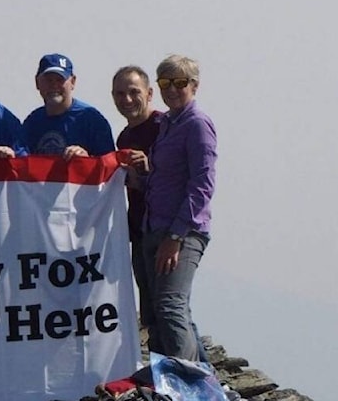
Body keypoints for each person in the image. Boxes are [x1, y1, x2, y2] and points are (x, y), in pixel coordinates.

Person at [124, 55, 217, 361]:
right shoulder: (167, 124)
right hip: (153, 227)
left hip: (180, 233)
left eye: (180, 83)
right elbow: (166, 179)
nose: (172, 90)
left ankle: (187, 387)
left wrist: (175, 238)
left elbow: (202, 185)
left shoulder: (197, 124)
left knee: (170, 306)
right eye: (166, 83)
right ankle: (194, 384)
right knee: (156, 312)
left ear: (194, 85)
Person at [111, 65, 163, 329]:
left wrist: (148, 167)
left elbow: (178, 177)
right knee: (150, 308)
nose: (127, 100)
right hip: (138, 229)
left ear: (149, 93)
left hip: (163, 231)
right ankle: (160, 366)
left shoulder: (163, 126)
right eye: (120, 93)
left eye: (134, 92)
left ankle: (192, 369)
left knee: (168, 307)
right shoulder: (124, 137)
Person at [24, 53, 115, 158]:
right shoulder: (33, 122)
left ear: (73, 82)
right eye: (48, 80)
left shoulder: (91, 119)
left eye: (60, 80)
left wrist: (87, 159)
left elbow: (110, 165)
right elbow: (20, 160)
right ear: (37, 82)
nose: (54, 85)